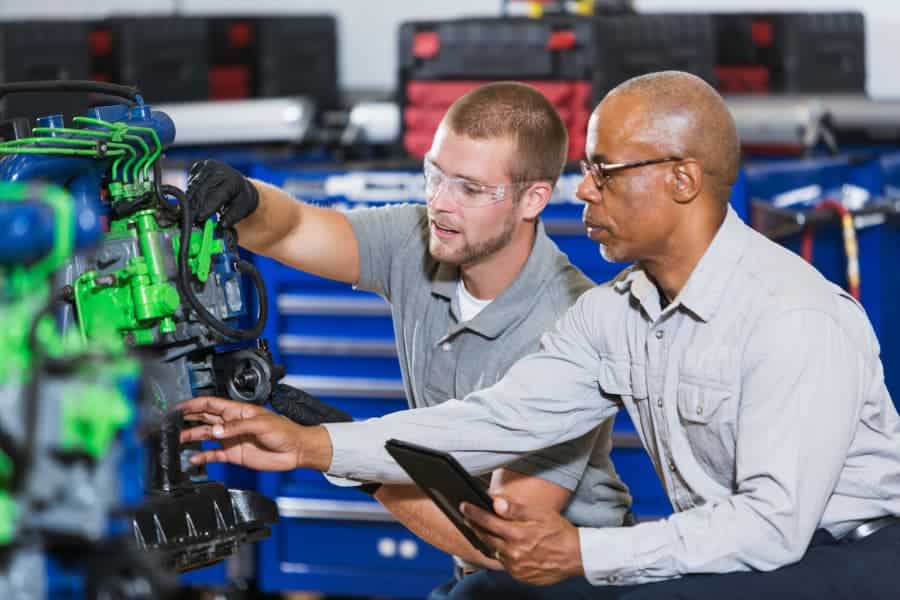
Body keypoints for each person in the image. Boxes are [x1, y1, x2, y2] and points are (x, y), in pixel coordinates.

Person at [179, 70, 900, 599]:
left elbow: (773, 528)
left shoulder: (792, 316)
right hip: (735, 549)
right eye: (585, 169)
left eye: (604, 172)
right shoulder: (617, 313)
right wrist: (311, 442)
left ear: (682, 179)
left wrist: (587, 552)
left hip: (846, 559)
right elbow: (501, 418)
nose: (581, 190)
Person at [183, 81, 630, 595]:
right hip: (481, 570)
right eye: (434, 174)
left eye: (470, 188)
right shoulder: (419, 240)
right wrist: (248, 200)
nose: (440, 203)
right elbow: (291, 230)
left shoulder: (569, 323)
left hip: (571, 578)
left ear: (533, 199)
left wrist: (345, 453)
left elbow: (507, 544)